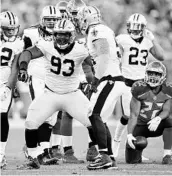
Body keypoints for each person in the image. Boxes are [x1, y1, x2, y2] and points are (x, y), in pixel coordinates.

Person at [17, 19, 93, 169]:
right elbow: (27, 53)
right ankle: (33, 156)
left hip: (72, 94)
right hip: (50, 93)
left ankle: (104, 154)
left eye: (65, 35)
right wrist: (23, 68)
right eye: (58, 35)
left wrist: (93, 81)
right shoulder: (46, 45)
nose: (61, 38)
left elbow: (93, 67)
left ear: (71, 35)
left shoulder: (81, 49)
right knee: (31, 120)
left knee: (94, 121)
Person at [77, 5, 126, 170]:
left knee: (94, 114)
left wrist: (95, 81)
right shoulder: (102, 29)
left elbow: (104, 54)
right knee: (99, 118)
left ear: (86, 19)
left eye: (80, 19)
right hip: (113, 79)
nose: (78, 22)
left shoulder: (96, 31)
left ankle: (104, 156)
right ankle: (110, 157)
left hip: (109, 79)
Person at [113, 13, 164, 159]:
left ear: (143, 28)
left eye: (138, 28)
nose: (134, 30)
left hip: (143, 84)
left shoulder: (148, 41)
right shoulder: (121, 39)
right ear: (128, 27)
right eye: (132, 27)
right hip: (126, 83)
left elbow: (161, 56)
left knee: (140, 117)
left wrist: (153, 39)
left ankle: (135, 151)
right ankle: (116, 142)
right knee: (128, 115)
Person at [22, 5, 62, 165]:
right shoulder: (31, 33)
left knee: (51, 115)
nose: (52, 22)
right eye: (49, 19)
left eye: (54, 19)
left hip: (55, 78)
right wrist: (22, 70)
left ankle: (44, 151)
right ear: (42, 20)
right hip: (37, 76)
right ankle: (34, 149)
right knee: (41, 110)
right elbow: (23, 53)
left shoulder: (65, 33)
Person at [126, 61, 172, 164]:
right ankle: (137, 153)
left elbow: (167, 110)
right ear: (146, 73)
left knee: (170, 121)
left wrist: (158, 118)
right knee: (133, 160)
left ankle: (167, 154)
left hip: (157, 125)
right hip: (141, 126)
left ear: (163, 76)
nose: (153, 76)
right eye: (151, 73)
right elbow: (134, 115)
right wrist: (129, 134)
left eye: (157, 74)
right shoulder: (139, 88)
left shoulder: (168, 89)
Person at [0, 11, 24, 169]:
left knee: (2, 117)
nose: (11, 31)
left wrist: (9, 86)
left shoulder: (19, 43)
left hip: (4, 85)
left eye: (13, 29)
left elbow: (15, 68)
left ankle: (1, 155)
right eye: (7, 29)